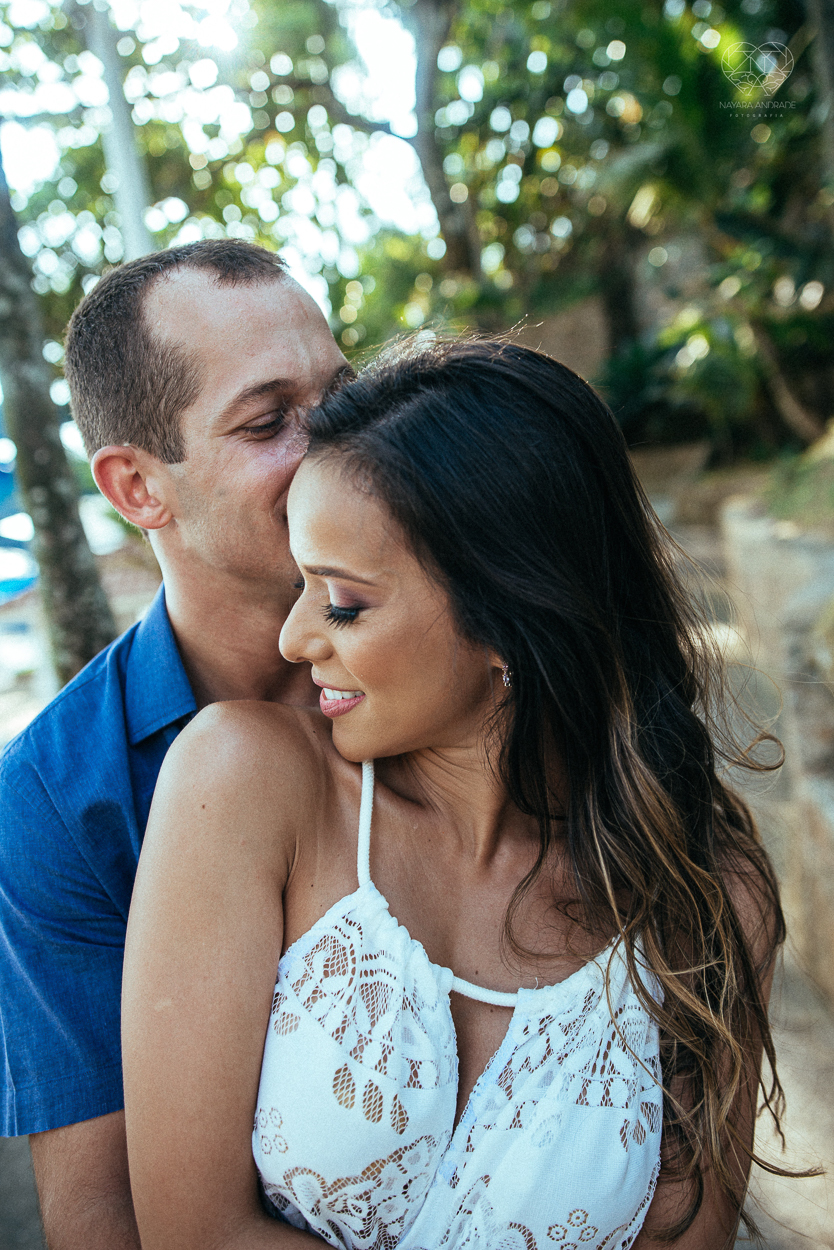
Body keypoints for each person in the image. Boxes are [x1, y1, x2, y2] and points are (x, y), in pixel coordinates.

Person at [122, 338, 785, 1249]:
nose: (293, 638)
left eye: (343, 602)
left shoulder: (711, 897)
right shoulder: (242, 783)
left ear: (507, 617)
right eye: (300, 585)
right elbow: (190, 1233)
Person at [0, 238, 350, 1250]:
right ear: (139, 487)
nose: (337, 440)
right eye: (269, 419)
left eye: (343, 389)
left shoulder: (471, 651)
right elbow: (102, 1215)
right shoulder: (60, 800)